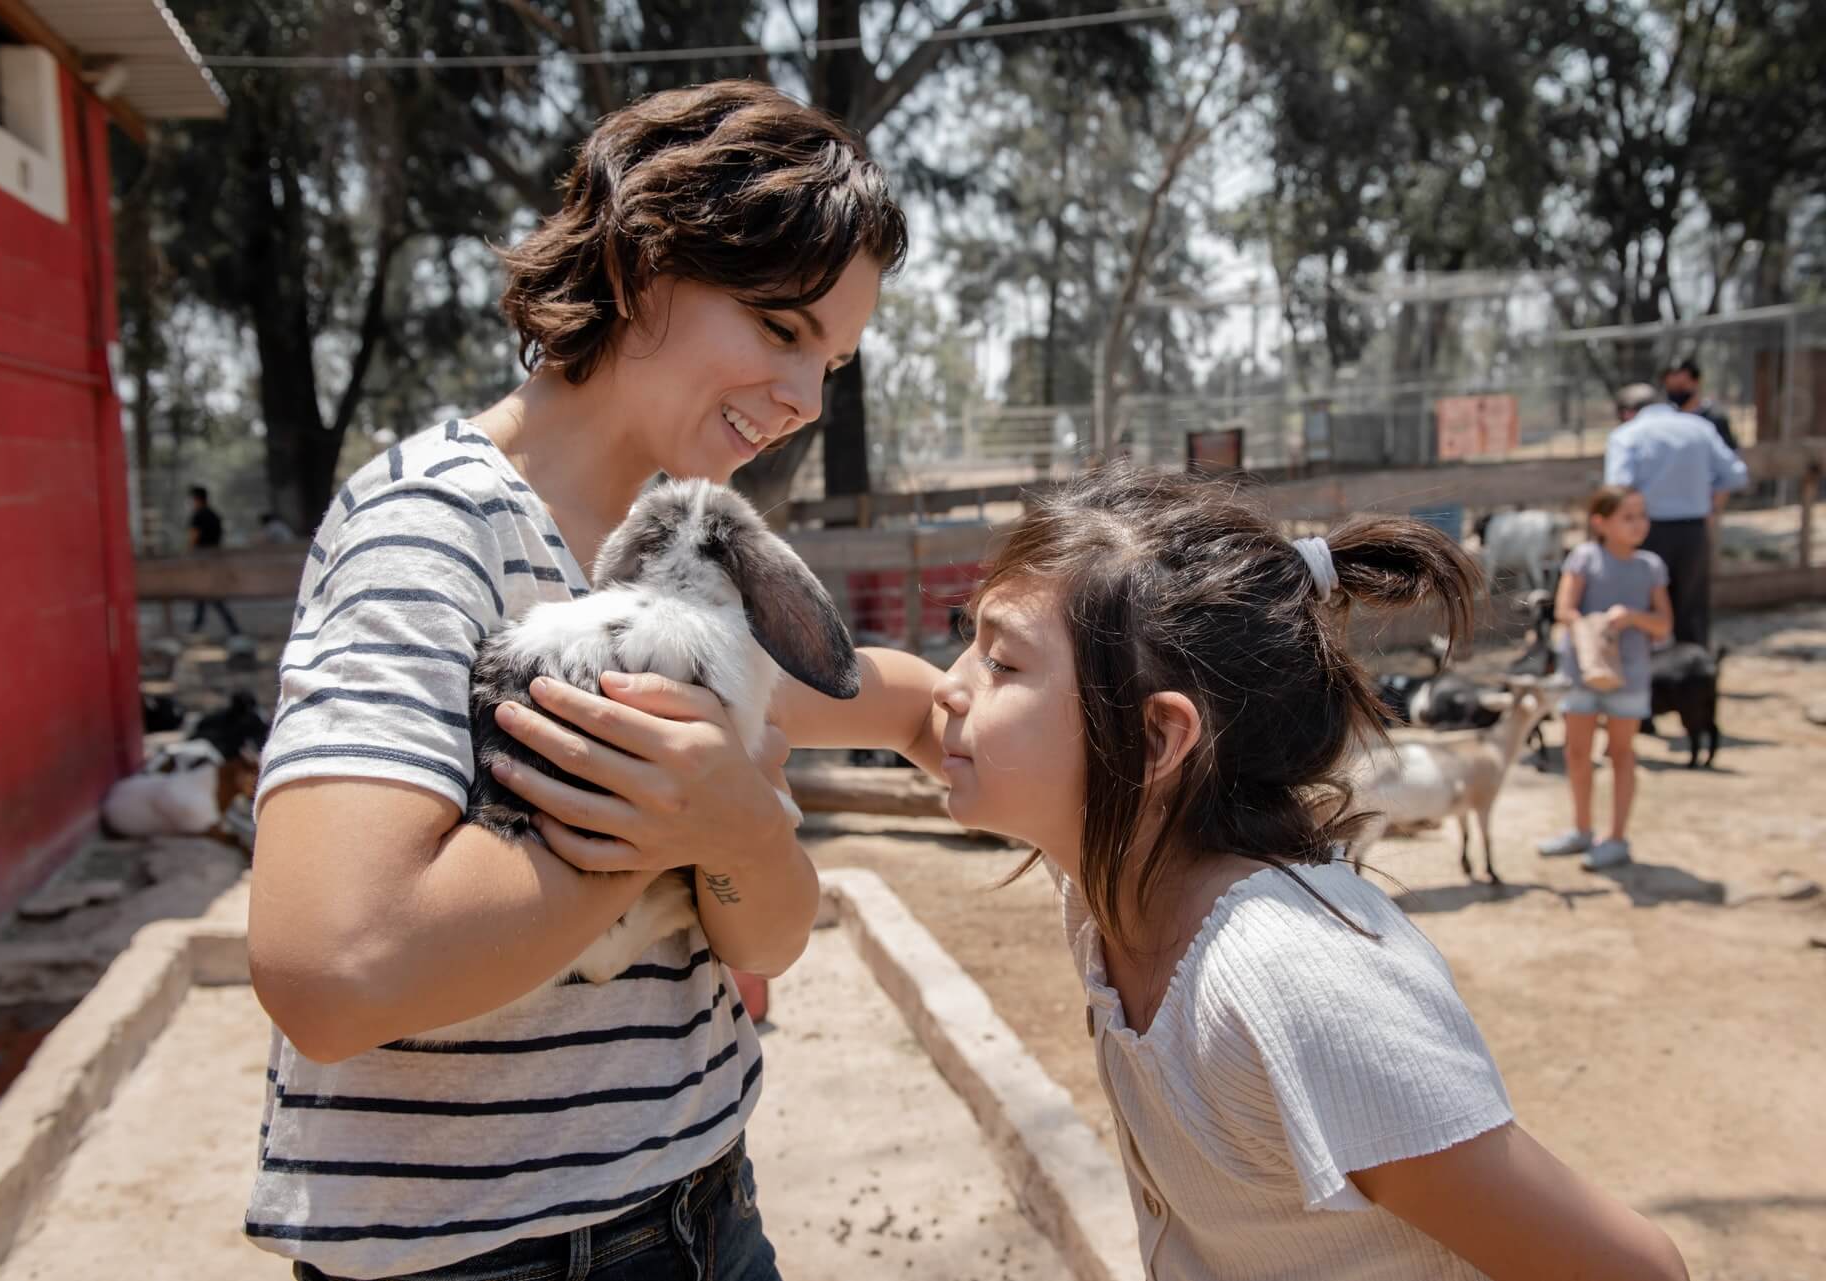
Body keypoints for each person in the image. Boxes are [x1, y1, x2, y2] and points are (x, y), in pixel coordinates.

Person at [246, 81, 908, 1281]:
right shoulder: (432, 524)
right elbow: (334, 971)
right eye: (781, 327)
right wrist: (666, 827)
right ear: (642, 262)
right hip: (481, 1256)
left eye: (836, 359)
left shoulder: (688, 552)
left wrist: (743, 829)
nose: (810, 398)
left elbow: (768, 930)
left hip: (706, 1198)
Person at [780, 463, 1691, 1281]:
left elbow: (1632, 1270)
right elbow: (905, 711)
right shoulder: (1120, 860)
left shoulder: (1290, 979)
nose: (953, 684)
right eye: (970, 643)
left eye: (1003, 658)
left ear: (1156, 737)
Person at [1536, 486, 1673, 870]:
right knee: (1577, 753)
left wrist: (1631, 616)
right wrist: (1594, 629)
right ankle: (1581, 829)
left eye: (1641, 516)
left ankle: (1615, 838)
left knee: (1621, 753)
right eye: (1628, 517)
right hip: (1581, 673)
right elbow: (1565, 609)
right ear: (1602, 522)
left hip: (1629, 675)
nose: (1638, 524)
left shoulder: (1651, 567)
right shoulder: (1584, 558)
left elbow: (1663, 623)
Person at [1603, 381, 1748, 648]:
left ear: (1627, 412)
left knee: (1644, 609)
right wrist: (1711, 506)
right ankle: (1694, 679)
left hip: (1644, 535)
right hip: (1694, 533)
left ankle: (1651, 682)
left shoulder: (1627, 435)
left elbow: (1619, 488)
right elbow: (1736, 475)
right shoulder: (1700, 428)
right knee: (1691, 610)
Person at [185, 485, 240, 636]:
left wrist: (188, 553)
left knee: (209, 594)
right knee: (206, 594)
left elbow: (193, 537)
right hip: (215, 558)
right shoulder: (214, 515)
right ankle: (197, 626)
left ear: (196, 499)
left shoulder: (198, 515)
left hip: (202, 560)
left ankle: (231, 628)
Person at [1660, 357, 1737, 451]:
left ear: (1696, 382)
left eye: (1680, 386)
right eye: (1670, 387)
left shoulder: (1715, 419)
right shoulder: (1666, 419)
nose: (1675, 391)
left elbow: (1729, 454)